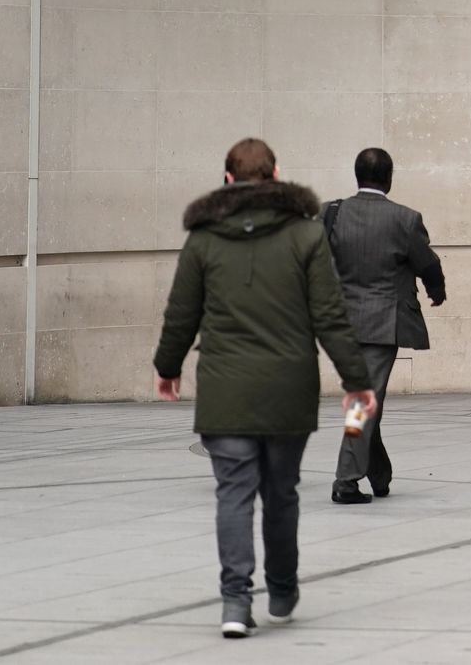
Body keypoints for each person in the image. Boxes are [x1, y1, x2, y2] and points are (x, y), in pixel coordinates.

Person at [153, 138, 378, 639]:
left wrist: (167, 368)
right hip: (287, 388)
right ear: (276, 173)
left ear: (228, 180)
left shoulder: (203, 239)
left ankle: (235, 603)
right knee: (281, 493)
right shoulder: (306, 235)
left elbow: (180, 313)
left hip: (223, 390)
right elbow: (329, 315)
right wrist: (357, 382)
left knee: (233, 495)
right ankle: (281, 588)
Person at [321, 146, 446, 505]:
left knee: (364, 398)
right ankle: (346, 480)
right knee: (364, 401)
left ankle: (379, 474)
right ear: (389, 178)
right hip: (381, 324)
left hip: (339, 323)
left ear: (356, 175)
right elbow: (427, 263)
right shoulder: (404, 219)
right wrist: (436, 291)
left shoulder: (330, 213)